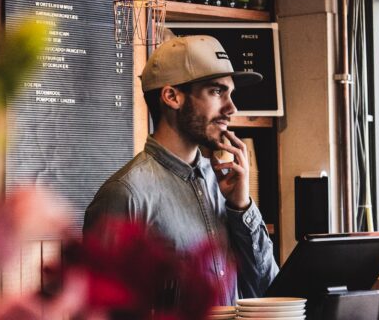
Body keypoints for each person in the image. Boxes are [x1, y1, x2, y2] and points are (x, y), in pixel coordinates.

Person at [84, 35, 279, 305]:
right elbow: (103, 309)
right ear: (172, 96)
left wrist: (241, 207)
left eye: (230, 93)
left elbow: (267, 290)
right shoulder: (125, 195)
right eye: (216, 91)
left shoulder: (226, 185)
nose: (231, 108)